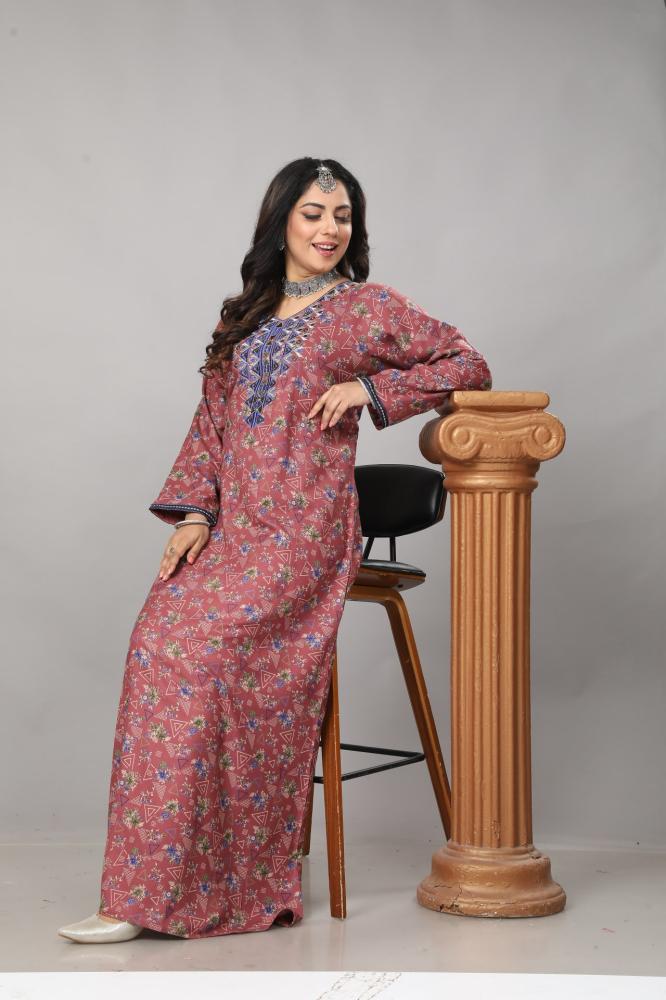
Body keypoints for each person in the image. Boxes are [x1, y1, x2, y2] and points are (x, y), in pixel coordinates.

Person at [58, 158, 492, 943]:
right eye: (313, 214)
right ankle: (144, 890)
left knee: (203, 653)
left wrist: (371, 392)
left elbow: (467, 363)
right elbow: (212, 424)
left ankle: (218, 888)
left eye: (343, 216)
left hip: (305, 533)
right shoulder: (247, 315)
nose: (330, 229)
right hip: (234, 533)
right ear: (281, 220)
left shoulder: (362, 309)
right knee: (157, 645)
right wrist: (194, 514)